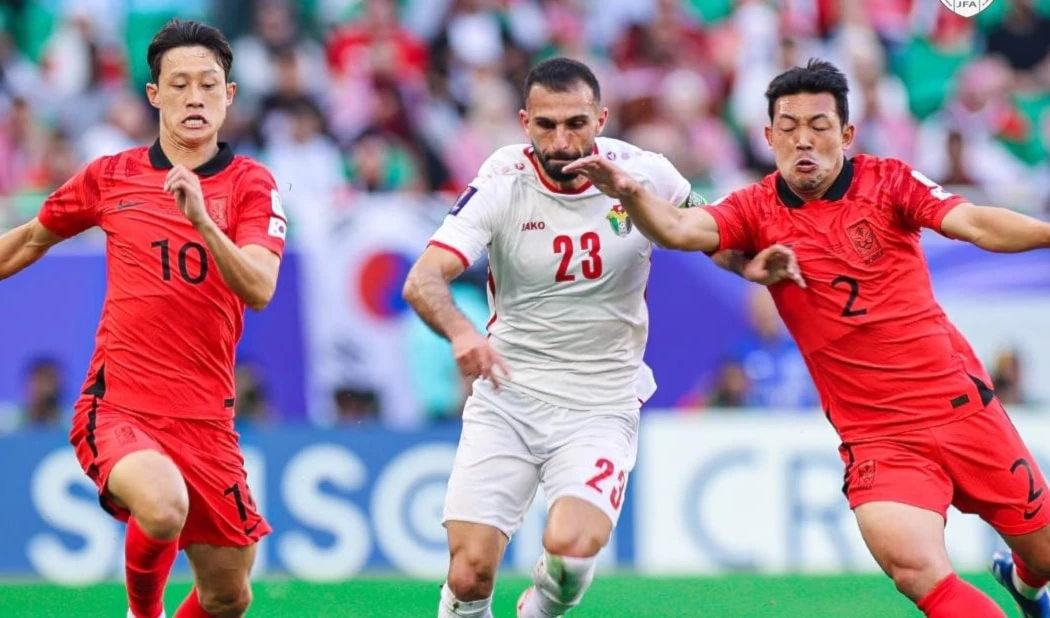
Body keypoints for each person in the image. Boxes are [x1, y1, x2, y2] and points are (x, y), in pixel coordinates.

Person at [564, 58, 1050, 618]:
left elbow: (977, 224)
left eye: (818, 127)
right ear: (767, 136)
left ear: (845, 133)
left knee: (1041, 551)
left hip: (961, 409)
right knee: (916, 569)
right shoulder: (755, 208)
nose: (804, 142)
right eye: (788, 128)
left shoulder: (888, 181)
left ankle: (1025, 580)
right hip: (878, 438)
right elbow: (678, 229)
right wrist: (627, 192)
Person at [402, 57, 800, 618]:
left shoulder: (645, 173)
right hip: (508, 394)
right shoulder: (500, 182)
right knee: (469, 572)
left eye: (576, 123)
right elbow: (423, 278)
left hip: (601, 402)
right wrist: (463, 332)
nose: (562, 141)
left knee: (570, 554)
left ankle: (535, 610)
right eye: (546, 125)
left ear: (601, 118)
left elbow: (708, 233)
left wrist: (751, 265)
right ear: (524, 123)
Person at [0, 19, 288, 618]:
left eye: (209, 85)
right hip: (121, 408)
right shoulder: (111, 177)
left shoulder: (252, 185)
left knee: (229, 596)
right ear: (154, 95)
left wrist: (203, 219)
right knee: (161, 506)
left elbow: (259, 286)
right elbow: (28, 240)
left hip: (208, 421)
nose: (194, 97)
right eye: (178, 84)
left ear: (229, 95)